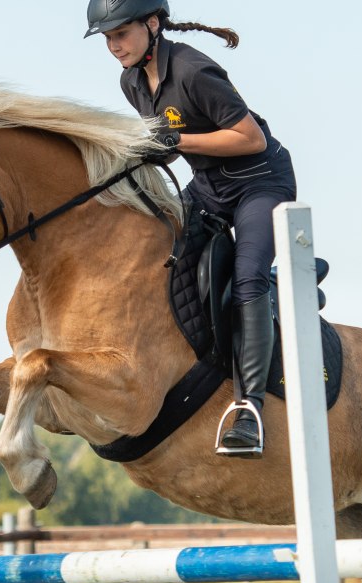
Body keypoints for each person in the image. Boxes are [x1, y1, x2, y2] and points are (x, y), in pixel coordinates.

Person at [85, 0, 297, 458]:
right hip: (207, 187)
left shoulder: (193, 70)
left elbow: (249, 138)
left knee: (247, 280)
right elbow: (165, 145)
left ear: (152, 24)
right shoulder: (132, 81)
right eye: (107, 38)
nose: (114, 46)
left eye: (120, 34)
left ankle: (250, 410)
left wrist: (174, 140)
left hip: (259, 184)